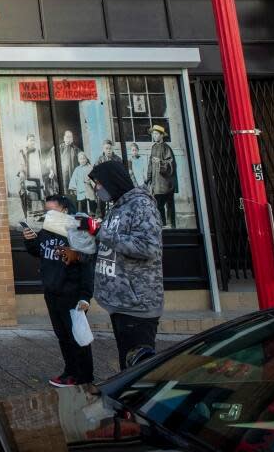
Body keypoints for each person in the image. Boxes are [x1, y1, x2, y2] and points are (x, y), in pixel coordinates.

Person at [90, 159, 164, 370]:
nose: (97, 188)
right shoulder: (117, 207)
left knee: (138, 368)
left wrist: (100, 232)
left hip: (137, 303)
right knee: (127, 364)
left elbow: (148, 248)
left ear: (112, 181)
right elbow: (112, 240)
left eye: (99, 183)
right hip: (120, 302)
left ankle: (138, 402)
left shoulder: (141, 205)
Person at [22, 194, 95, 387]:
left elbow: (87, 265)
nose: (48, 214)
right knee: (62, 336)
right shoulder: (47, 231)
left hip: (71, 292)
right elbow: (40, 250)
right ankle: (69, 371)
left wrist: (85, 295)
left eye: (51, 210)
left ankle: (84, 377)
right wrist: (30, 240)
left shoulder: (76, 231)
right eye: (46, 211)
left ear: (64, 210)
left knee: (77, 337)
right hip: (52, 291)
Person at [146, 125, 177, 228]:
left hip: (166, 183)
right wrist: (149, 178)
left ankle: (171, 225)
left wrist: (161, 162)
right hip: (156, 183)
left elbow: (171, 165)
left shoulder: (166, 148)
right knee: (158, 205)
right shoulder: (153, 147)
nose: (154, 136)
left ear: (162, 135)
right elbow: (150, 164)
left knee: (169, 205)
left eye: (156, 134)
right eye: (153, 134)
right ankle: (162, 225)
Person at [56, 131, 80, 198]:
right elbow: (51, 160)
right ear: (64, 138)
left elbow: (82, 160)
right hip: (63, 176)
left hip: (73, 174)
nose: (69, 139)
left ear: (72, 139)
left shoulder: (76, 150)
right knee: (65, 192)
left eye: (70, 137)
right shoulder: (59, 148)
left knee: (74, 193)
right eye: (67, 137)